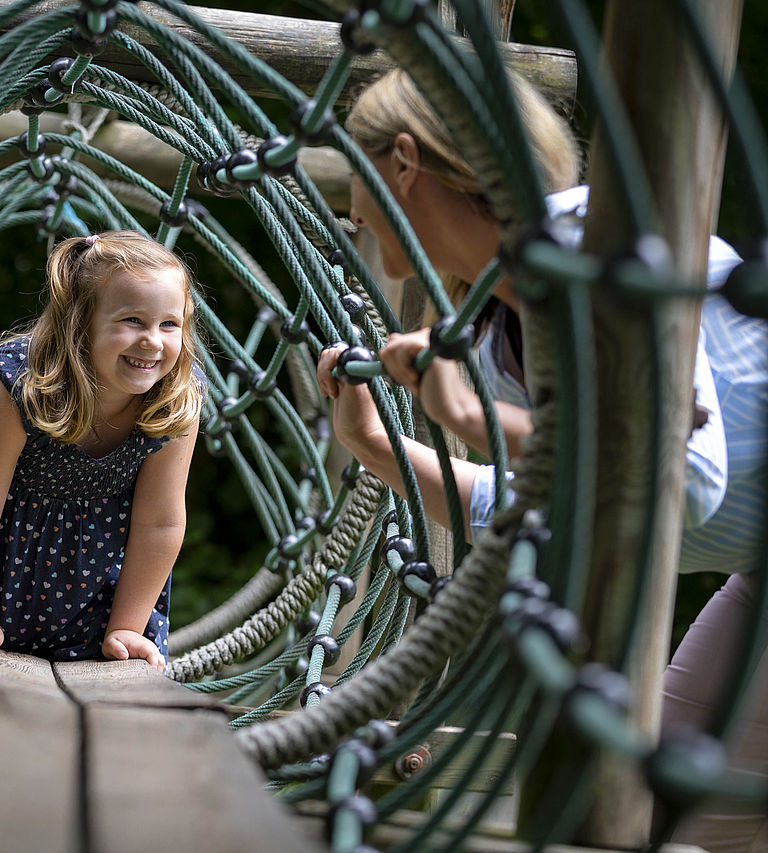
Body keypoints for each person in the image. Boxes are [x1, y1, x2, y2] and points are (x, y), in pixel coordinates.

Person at [318, 68, 768, 850]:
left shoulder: (596, 241)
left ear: (403, 161)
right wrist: (376, 446)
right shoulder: (496, 330)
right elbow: (540, 494)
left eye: (355, 178)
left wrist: (469, 417)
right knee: (652, 810)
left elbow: (680, 478)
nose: (356, 213)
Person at [0, 231, 204, 673]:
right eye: (132, 320)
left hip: (95, 555)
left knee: (102, 660)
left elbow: (160, 521)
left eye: (168, 324)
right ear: (80, 323)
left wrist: (128, 628)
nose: (152, 341)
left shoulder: (173, 397)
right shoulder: (18, 381)